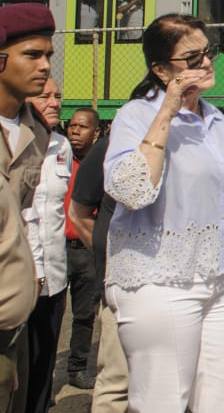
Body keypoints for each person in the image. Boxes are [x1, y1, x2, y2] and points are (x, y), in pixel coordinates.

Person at [103, 14, 224, 412]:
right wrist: (167, 109)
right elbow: (131, 190)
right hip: (159, 279)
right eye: (192, 57)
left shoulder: (218, 120)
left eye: (209, 52)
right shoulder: (136, 116)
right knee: (162, 402)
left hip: (219, 277)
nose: (206, 63)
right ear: (160, 68)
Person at [0, 2, 55, 413]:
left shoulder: (34, 129)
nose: (45, 66)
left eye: (48, 55)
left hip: (14, 323)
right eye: (32, 54)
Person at [67, 131, 129, 413]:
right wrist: (108, 255)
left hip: (180, 294)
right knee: (118, 382)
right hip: (122, 292)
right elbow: (78, 212)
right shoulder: (110, 147)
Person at [24, 79, 71, 413]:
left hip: (55, 279)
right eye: (44, 96)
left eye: (57, 96)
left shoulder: (61, 148)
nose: (54, 102)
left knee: (43, 369)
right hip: (20, 281)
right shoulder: (13, 145)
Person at [62, 107, 102, 390]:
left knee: (84, 314)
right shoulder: (57, 159)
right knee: (45, 314)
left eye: (82, 127)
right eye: (72, 126)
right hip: (56, 248)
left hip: (85, 250)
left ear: (96, 132)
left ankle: (76, 368)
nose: (75, 131)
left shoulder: (102, 165)